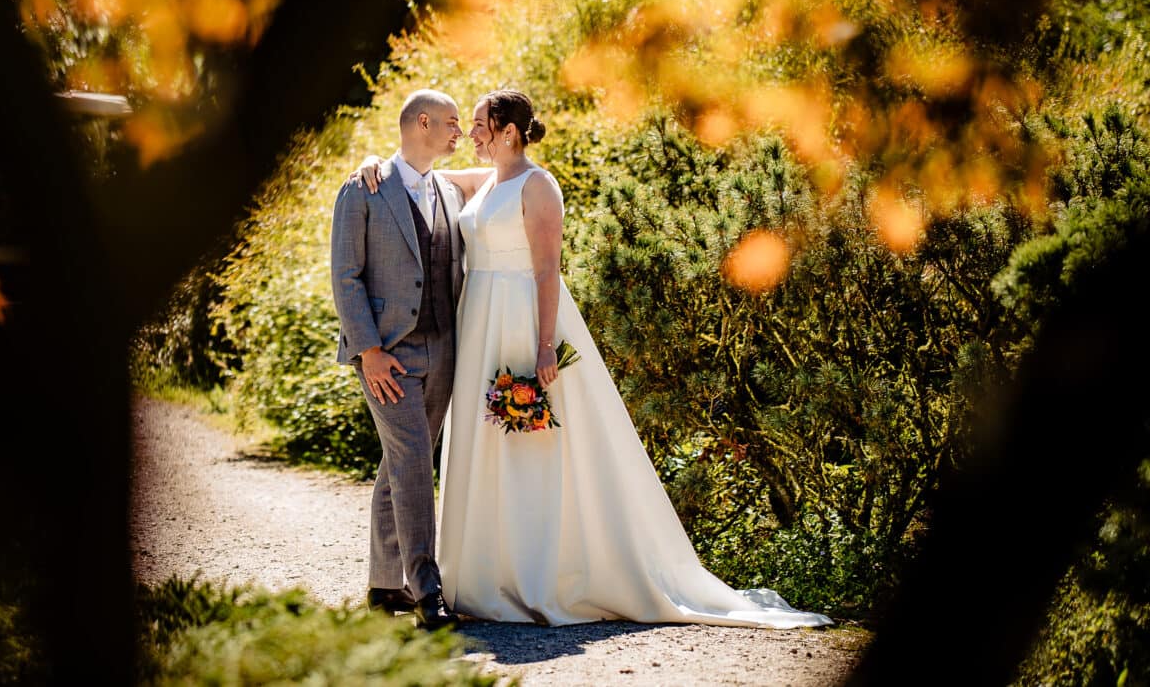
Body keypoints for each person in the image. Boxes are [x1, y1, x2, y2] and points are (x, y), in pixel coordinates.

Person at [353, 89, 828, 628]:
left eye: (481, 124)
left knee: (537, 446)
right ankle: (485, 571)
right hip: (479, 329)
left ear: (509, 131)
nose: (472, 134)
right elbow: (419, 180)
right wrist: (374, 164)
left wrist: (544, 345)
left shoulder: (540, 186)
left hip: (522, 322)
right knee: (484, 446)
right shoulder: (483, 182)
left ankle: (541, 572)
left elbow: (547, 270)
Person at [329, 88, 466, 629]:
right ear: (423, 122)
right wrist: (368, 352)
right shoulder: (362, 190)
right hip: (387, 355)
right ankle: (426, 592)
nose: (459, 132)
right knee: (413, 465)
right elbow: (345, 275)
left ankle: (384, 588)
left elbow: (512, 178)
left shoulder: (449, 191)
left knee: (400, 464)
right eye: (452, 123)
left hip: (443, 350)